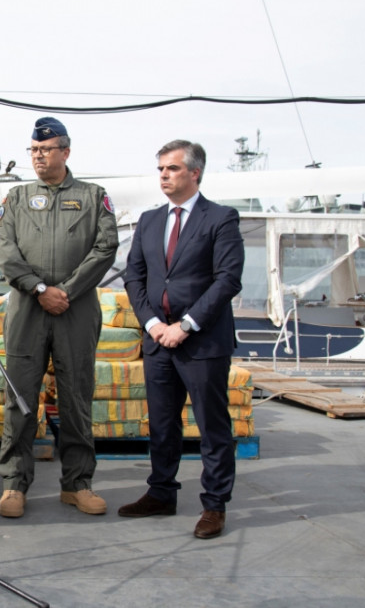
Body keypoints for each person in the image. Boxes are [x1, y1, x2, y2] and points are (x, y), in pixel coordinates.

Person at [0, 117, 118, 519]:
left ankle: (78, 484)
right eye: (32, 150)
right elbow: (6, 250)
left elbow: (105, 248)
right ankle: (14, 485)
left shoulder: (92, 196)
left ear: (65, 151)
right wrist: (39, 289)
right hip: (28, 310)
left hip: (76, 310)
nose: (37, 156)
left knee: (77, 397)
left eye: (45, 150)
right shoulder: (16, 197)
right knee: (19, 398)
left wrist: (68, 291)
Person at [119, 139, 244, 539]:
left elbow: (228, 280)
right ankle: (161, 493)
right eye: (160, 169)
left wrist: (186, 324)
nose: (164, 176)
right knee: (161, 424)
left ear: (195, 173)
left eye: (171, 169)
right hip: (158, 339)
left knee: (212, 425)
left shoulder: (221, 218)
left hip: (202, 341)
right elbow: (134, 276)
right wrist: (153, 324)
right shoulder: (150, 220)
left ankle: (214, 505)